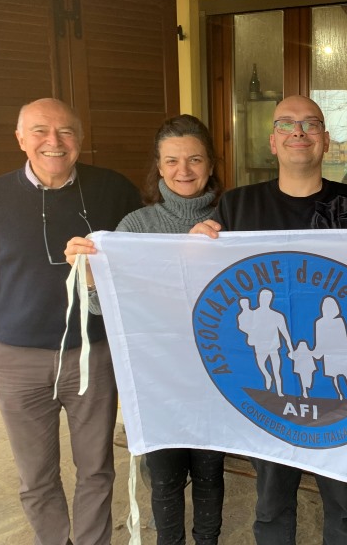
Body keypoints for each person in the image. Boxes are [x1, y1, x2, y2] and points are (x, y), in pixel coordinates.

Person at [191, 94, 347, 545]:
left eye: (311, 124)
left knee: (345, 503)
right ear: (272, 141)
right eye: (286, 124)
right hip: (267, 393)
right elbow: (206, 285)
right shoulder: (236, 206)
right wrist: (196, 246)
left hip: (335, 389)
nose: (299, 131)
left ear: (326, 140)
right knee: (272, 502)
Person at [0, 98, 142, 545]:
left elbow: (139, 262)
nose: (53, 141)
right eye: (39, 131)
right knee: (36, 477)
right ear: (20, 139)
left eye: (66, 131)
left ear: (80, 138)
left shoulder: (113, 190)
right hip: (17, 360)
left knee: (96, 469)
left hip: (93, 355)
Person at [64, 114, 226, 545]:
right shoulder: (135, 227)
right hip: (157, 379)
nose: (183, 170)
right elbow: (105, 307)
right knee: (165, 479)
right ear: (158, 166)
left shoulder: (232, 220)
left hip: (216, 374)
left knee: (210, 474)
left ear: (211, 164)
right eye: (172, 160)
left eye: (194, 159)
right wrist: (92, 277)